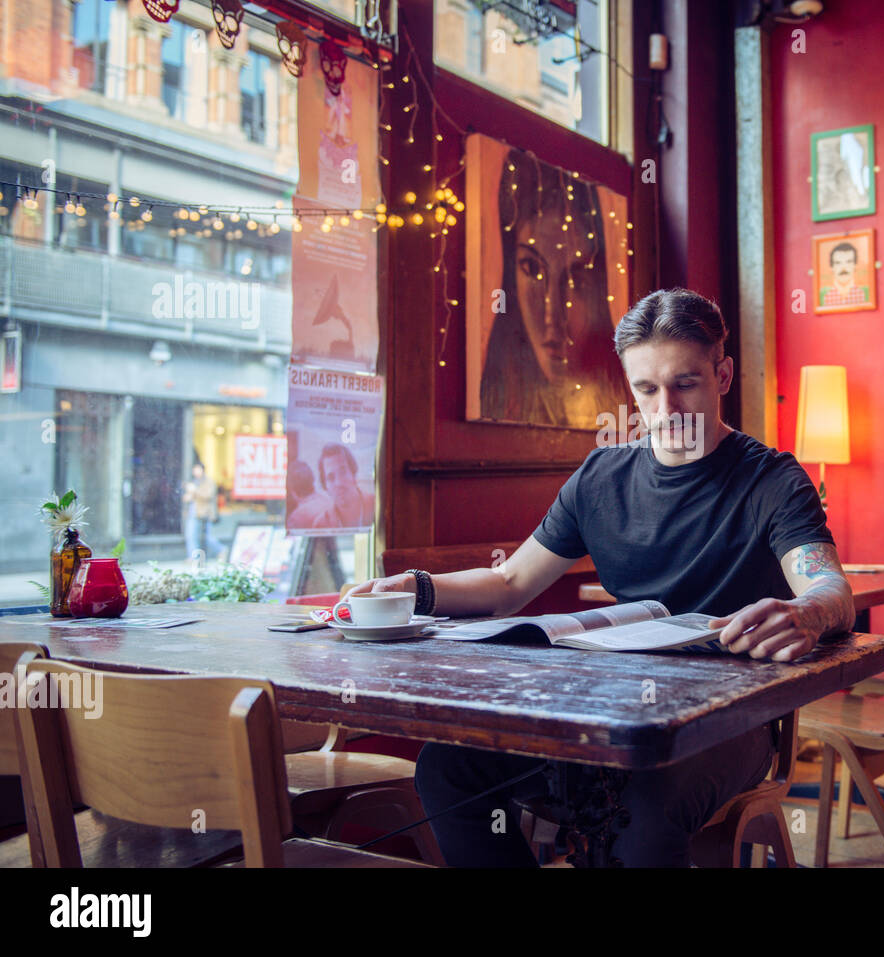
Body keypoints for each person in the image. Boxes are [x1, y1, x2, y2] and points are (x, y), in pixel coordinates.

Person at [347, 288, 855, 867]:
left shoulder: (773, 479)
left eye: (685, 383)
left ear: (723, 374)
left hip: (729, 719)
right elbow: (511, 583)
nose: (666, 408)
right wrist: (419, 587)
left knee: (643, 808)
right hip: (610, 706)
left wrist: (807, 613)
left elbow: (831, 588)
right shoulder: (600, 477)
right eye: (645, 389)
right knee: (449, 767)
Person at [479, 148, 628, 429]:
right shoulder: (497, 400)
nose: (553, 314)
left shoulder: (616, 414)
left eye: (577, 278)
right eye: (533, 269)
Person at [310, 443, 375, 529]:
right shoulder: (321, 524)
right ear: (326, 487)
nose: (339, 483)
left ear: (354, 474)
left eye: (343, 472)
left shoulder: (376, 505)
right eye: (331, 477)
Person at [182, 462, 223, 562]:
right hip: (193, 513)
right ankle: (194, 557)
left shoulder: (208, 482)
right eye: (194, 469)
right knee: (191, 536)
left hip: (205, 513)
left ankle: (221, 550)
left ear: (202, 470)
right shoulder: (194, 481)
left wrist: (195, 491)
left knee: (206, 537)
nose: (195, 472)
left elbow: (208, 495)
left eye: (197, 469)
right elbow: (192, 496)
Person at [818, 242, 870, 308]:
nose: (843, 267)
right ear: (831, 267)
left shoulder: (866, 293)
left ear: (855, 265)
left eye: (848, 262)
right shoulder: (822, 295)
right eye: (838, 263)